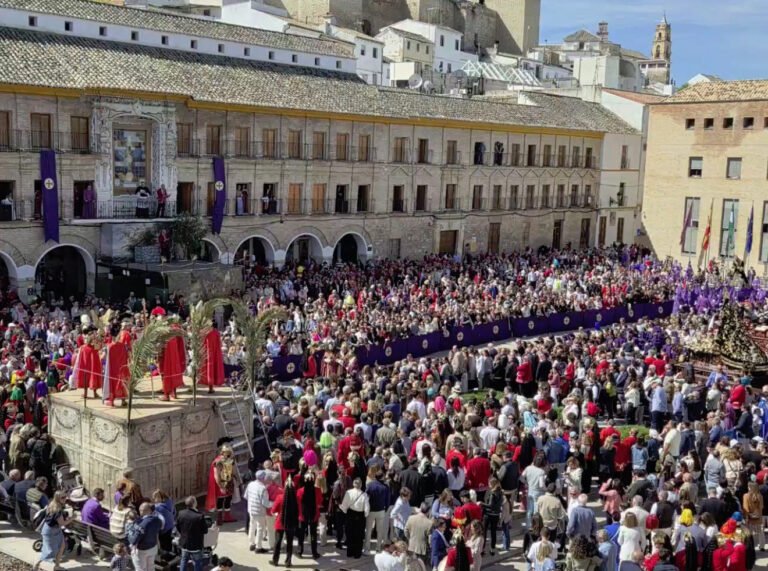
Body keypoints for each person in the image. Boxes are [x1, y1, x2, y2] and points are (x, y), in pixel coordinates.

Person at [32, 490, 70, 571]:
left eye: (65, 497)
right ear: (57, 498)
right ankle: (37, 561)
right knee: (50, 552)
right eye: (62, 497)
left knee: (61, 546)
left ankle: (57, 566)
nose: (65, 499)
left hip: (55, 530)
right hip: (50, 531)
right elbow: (62, 523)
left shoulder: (52, 504)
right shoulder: (58, 509)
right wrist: (72, 518)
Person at [205, 445, 238, 524]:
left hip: (228, 482)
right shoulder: (218, 462)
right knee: (222, 499)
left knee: (227, 499)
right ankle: (221, 517)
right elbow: (216, 475)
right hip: (223, 482)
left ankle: (225, 516)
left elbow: (233, 472)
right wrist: (220, 486)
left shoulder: (229, 460)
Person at [271, 476, 299, 567]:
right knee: (290, 543)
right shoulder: (296, 498)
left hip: (280, 522)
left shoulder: (279, 497)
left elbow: (273, 510)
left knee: (278, 542)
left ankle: (275, 560)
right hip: (291, 523)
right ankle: (288, 561)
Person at [176, 496, 209, 571]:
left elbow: (177, 526)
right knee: (197, 562)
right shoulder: (199, 516)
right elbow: (205, 531)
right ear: (194, 503)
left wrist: (183, 534)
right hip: (196, 545)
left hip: (184, 543)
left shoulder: (181, 513)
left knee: (184, 560)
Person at [341, 477, 370, 558]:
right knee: (359, 536)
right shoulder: (364, 495)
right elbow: (367, 509)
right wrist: (365, 516)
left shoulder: (348, 492)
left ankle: (349, 552)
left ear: (353, 484)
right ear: (361, 485)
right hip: (360, 516)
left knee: (349, 534)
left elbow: (344, 505)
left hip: (350, 514)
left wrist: (346, 512)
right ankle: (357, 554)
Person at [130, 502, 162, 571]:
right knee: (151, 567)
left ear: (141, 511)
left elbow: (134, 540)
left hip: (142, 550)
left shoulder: (142, 524)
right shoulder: (158, 520)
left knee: (141, 568)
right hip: (153, 547)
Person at [296, 472, 322, 559]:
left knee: (301, 534)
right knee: (313, 535)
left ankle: (300, 551)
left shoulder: (300, 491)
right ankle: (314, 553)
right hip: (314, 515)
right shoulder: (317, 490)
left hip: (302, 516)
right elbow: (319, 502)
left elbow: (298, 502)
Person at [245, 470, 272, 553]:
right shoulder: (263, 488)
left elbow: (246, 496)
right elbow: (266, 504)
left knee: (252, 526)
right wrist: (273, 503)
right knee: (260, 528)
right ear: (263, 478)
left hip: (251, 509)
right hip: (259, 511)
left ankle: (251, 543)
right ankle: (258, 546)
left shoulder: (250, 484)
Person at [103, 339, 129, 407]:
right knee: (121, 382)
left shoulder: (110, 346)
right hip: (121, 367)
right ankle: (123, 401)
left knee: (113, 382)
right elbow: (126, 356)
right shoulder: (123, 345)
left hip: (113, 369)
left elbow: (107, 358)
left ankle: (112, 401)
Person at [200, 326, 225, 393]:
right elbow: (220, 344)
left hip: (207, 354)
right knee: (212, 369)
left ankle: (210, 387)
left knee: (208, 369)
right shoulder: (216, 332)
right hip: (214, 354)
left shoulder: (203, 332)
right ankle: (211, 388)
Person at [152, 489, 176, 554]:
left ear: (159, 497)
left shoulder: (157, 507)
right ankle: (170, 552)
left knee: (163, 541)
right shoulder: (170, 502)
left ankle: (166, 554)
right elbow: (174, 512)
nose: (154, 500)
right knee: (168, 539)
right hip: (170, 524)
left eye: (155, 499)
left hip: (164, 528)